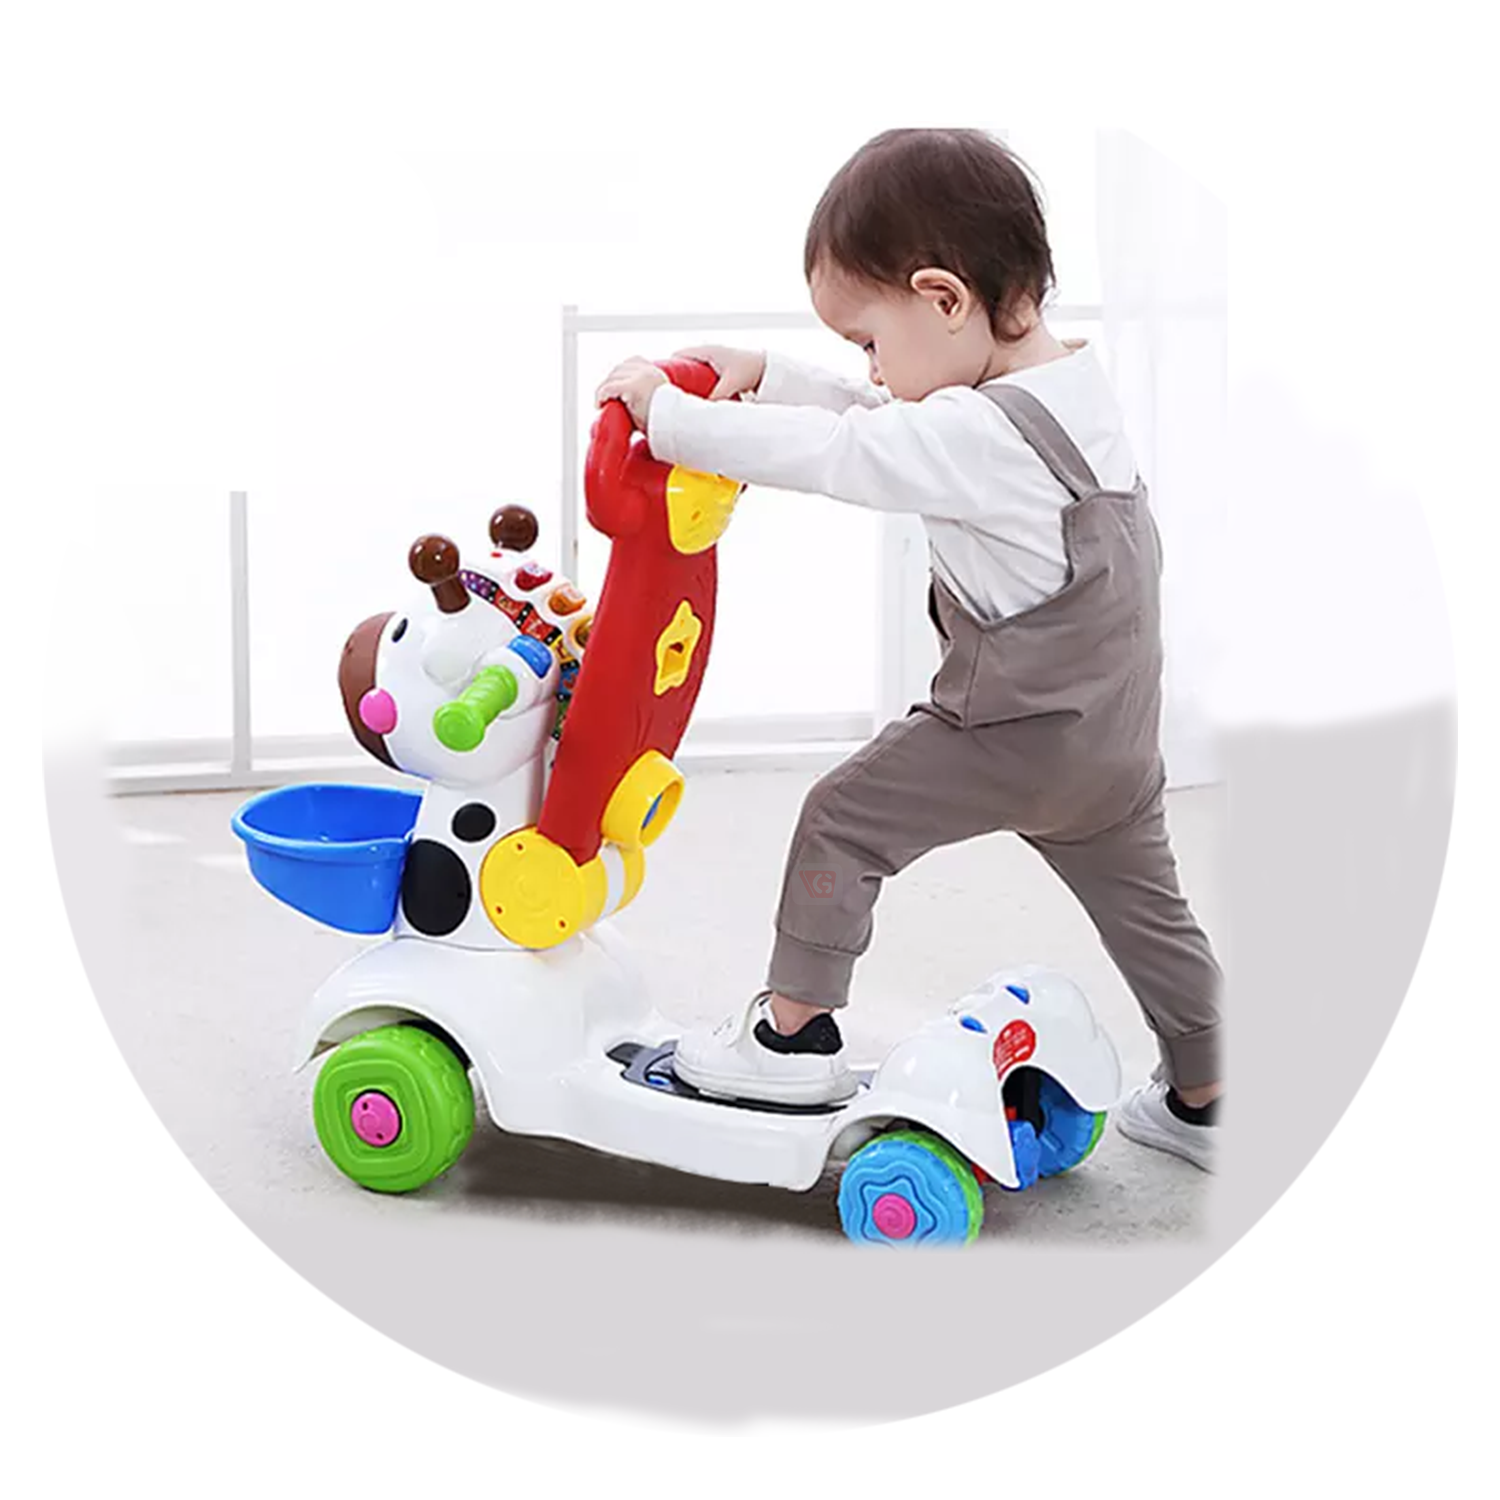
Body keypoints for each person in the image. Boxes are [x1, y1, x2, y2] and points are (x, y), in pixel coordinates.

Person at [594, 127, 1222, 1170]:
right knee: (1151, 916)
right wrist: (770, 375)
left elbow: (847, 450)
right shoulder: (1070, 392)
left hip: (1010, 733)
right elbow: (892, 421)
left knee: (842, 821)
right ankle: (1210, 1093)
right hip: (1112, 746)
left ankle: (789, 1036)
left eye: (868, 341)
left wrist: (671, 421)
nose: (872, 368)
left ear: (943, 298)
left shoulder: (975, 435)